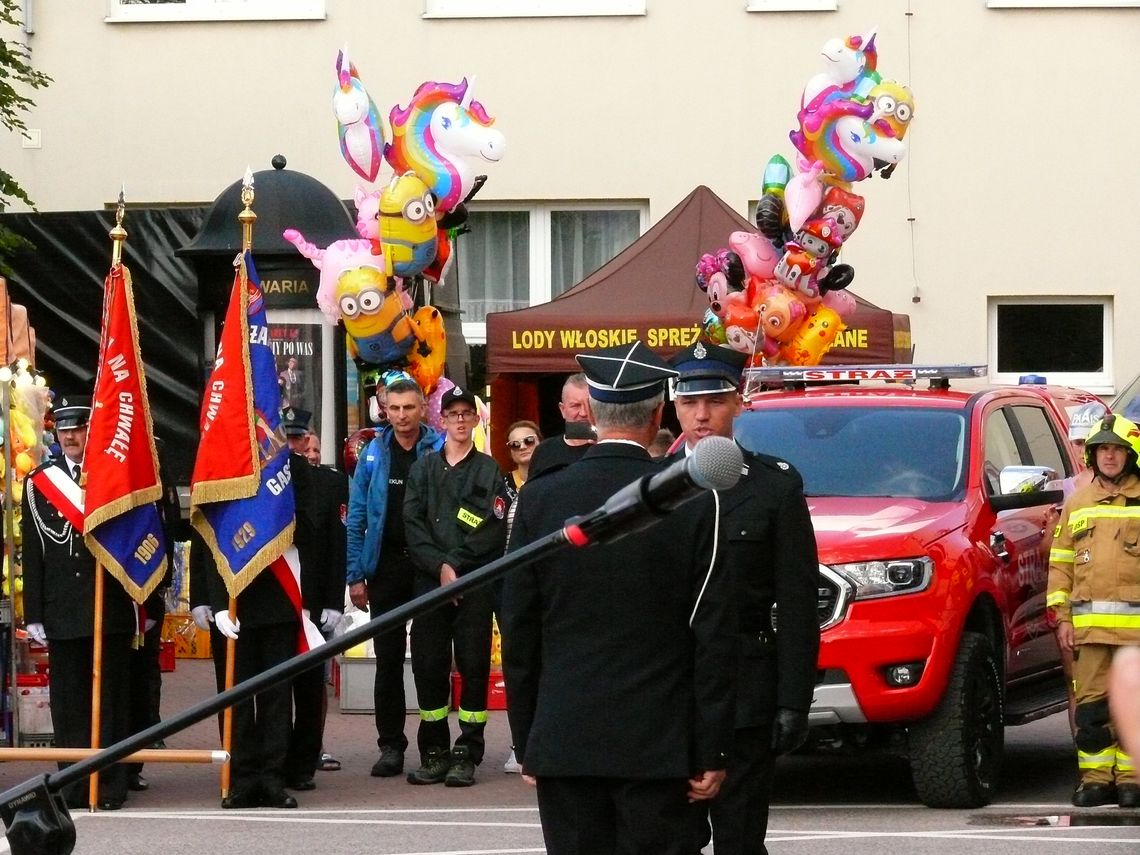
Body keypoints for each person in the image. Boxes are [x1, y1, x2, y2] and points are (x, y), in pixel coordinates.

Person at [502, 341, 736, 855]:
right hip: (660, 741)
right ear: (658, 414)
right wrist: (710, 745)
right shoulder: (695, 500)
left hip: (566, 735)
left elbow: (519, 624)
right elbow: (713, 632)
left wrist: (528, 740)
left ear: (593, 415)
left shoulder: (541, 496)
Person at [668, 342, 820, 855]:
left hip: (745, 687)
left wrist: (794, 698)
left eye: (714, 400)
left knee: (740, 840)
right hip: (671, 687)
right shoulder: (652, 487)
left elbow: (798, 598)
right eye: (690, 402)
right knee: (671, 840)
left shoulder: (773, 485)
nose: (702, 414)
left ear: (738, 402)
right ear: (674, 405)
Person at [21, 395, 136, 810]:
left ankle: (108, 785)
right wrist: (33, 612)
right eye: (64, 430)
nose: (70, 436)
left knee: (111, 703)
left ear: (92, 432)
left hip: (111, 608)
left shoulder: (114, 476)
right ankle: (72, 783)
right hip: (64, 610)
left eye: (78, 429)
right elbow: (34, 552)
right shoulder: (40, 482)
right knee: (69, 705)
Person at [403, 384, 508, 787]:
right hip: (430, 585)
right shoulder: (423, 469)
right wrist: (440, 567)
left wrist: (456, 566)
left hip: (473, 583)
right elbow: (412, 524)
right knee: (429, 666)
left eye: (467, 414)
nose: (460, 421)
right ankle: (433, 752)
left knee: (474, 665)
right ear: (441, 420)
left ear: (476, 419)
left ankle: (467, 752)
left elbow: (491, 529)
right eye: (453, 414)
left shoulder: (489, 469)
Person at [345, 374, 444, 779]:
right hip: (384, 566)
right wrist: (355, 575)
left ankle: (433, 746)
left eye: (409, 408)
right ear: (384, 410)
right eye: (394, 409)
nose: (402, 416)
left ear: (422, 409)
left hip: (427, 568)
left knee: (429, 659)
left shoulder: (438, 448)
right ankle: (390, 746)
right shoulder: (372, 453)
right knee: (387, 660)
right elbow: (356, 518)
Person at [1047, 413, 1140, 808]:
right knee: (1091, 708)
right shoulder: (1078, 503)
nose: (1110, 457)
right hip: (1089, 633)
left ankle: (1132, 780)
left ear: (1130, 456)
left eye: (1117, 450)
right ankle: (1095, 780)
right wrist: (1062, 619)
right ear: (1092, 455)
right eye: (1103, 449)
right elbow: (1060, 564)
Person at [279, 413, 348, 792]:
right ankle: (276, 757)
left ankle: (304, 762)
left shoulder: (330, 483)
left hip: (312, 600)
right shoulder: (264, 487)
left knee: (310, 686)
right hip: (275, 600)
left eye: (297, 439)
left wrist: (333, 601)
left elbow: (336, 545)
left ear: (306, 442)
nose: (292, 445)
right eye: (285, 438)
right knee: (274, 690)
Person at [500, 419, 542, 775]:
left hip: (547, 588)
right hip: (513, 588)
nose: (523, 447)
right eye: (515, 444)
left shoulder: (553, 482)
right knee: (519, 668)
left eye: (529, 440)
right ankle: (521, 743)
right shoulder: (502, 487)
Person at [527, 373, 595, 478]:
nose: (583, 413)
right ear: (562, 410)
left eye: (589, 405)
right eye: (575, 406)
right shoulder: (545, 451)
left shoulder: (609, 447)